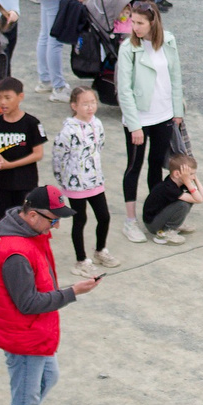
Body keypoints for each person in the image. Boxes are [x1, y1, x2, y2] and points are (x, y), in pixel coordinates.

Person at [0, 181, 101, 405]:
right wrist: (73, 292)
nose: (56, 226)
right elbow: (28, 303)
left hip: (28, 332)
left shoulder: (23, 234)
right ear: (32, 215)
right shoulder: (16, 251)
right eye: (53, 219)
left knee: (48, 378)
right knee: (25, 398)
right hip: (22, 334)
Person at [116, 0, 184, 236]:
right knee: (134, 167)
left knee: (157, 165)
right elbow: (123, 90)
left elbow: (175, 77)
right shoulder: (128, 49)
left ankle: (156, 215)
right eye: (133, 22)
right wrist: (134, 125)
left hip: (163, 115)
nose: (135, 27)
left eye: (140, 22)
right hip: (139, 119)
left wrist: (178, 112)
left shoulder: (169, 40)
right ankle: (130, 220)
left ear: (153, 22)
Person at [50, 84, 119, 270]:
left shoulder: (97, 124)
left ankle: (100, 250)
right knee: (80, 220)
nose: (90, 107)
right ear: (74, 106)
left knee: (104, 216)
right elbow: (58, 156)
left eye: (93, 102)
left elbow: (99, 146)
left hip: (95, 180)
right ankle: (81, 260)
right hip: (75, 185)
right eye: (85, 104)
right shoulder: (68, 131)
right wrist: (64, 179)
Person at [0, 75, 47, 214]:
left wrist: (10, 165)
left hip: (25, 183)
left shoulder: (31, 123)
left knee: (25, 220)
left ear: (20, 97)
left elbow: (38, 154)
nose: (2, 102)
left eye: (8, 97)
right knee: (4, 219)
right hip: (2, 184)